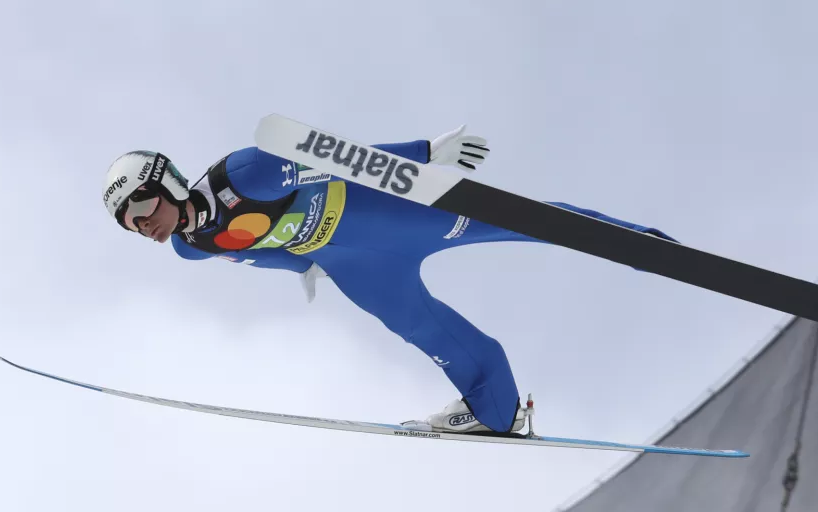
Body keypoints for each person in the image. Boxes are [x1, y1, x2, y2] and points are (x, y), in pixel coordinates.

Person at [101, 126, 675, 434]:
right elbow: (253, 254)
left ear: (166, 181)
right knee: (426, 331)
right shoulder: (190, 246)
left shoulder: (246, 170)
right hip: (354, 264)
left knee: (519, 221)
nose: (143, 225)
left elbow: (338, 156)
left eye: (142, 206)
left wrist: (425, 151)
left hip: (385, 214)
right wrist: (305, 266)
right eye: (130, 224)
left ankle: (636, 241)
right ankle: (496, 412)